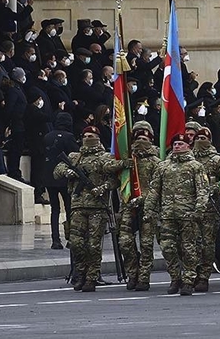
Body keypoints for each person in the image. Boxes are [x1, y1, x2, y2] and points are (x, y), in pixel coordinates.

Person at [54, 126, 130, 292]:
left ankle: (91, 277)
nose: (88, 138)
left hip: (97, 207)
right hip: (77, 206)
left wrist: (102, 188)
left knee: (94, 245)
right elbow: (57, 170)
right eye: (85, 135)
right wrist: (67, 172)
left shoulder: (104, 157)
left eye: (92, 135)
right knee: (75, 243)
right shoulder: (75, 157)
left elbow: (114, 178)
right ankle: (80, 273)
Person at [143, 133, 208, 295]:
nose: (177, 146)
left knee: (189, 248)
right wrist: (149, 209)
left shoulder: (195, 166)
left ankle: (188, 280)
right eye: (175, 144)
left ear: (188, 146)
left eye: (181, 143)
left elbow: (202, 189)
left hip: (188, 215)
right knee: (167, 248)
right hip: (167, 214)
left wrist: (199, 210)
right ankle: (175, 277)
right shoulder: (163, 166)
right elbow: (154, 190)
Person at [119, 122, 161, 290]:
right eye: (137, 137)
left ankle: (143, 277)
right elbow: (108, 169)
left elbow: (158, 187)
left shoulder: (156, 162)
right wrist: (122, 164)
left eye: (144, 138)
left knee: (146, 244)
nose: (140, 141)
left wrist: (144, 199)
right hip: (128, 205)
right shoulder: (127, 159)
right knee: (125, 242)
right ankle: (132, 273)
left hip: (149, 207)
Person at [191, 128, 220, 292]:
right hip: (189, 208)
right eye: (198, 138)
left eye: (204, 138)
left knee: (207, 244)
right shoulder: (187, 159)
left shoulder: (217, 160)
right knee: (190, 244)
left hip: (209, 209)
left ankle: (204, 276)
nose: (200, 140)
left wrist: (211, 188)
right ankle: (191, 275)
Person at [43, 112, 79, 249]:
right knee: (69, 207)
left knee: (55, 209)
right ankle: (70, 238)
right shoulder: (69, 137)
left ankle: (55, 240)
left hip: (49, 176)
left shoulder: (47, 136)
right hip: (64, 177)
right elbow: (74, 156)